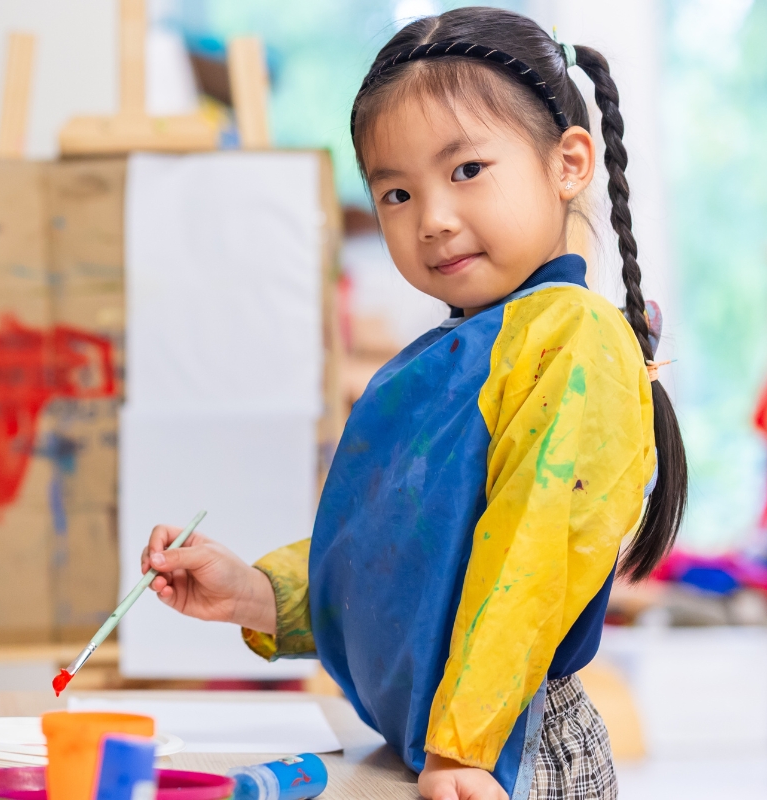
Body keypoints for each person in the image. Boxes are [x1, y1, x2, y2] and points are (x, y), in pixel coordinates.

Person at [139, 8, 687, 800]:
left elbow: (530, 562)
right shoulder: (453, 350)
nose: (431, 219)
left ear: (568, 163)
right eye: (396, 192)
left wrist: (465, 749)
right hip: (445, 751)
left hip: (503, 750)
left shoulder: (578, 339)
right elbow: (395, 545)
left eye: (466, 170)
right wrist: (260, 594)